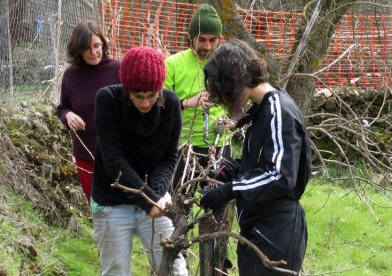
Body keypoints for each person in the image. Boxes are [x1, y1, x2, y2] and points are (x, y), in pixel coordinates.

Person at [200, 38, 312, 275]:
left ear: (234, 80)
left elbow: (280, 176)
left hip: (277, 233)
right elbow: (262, 161)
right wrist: (229, 170)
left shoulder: (279, 111)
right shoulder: (260, 109)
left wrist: (230, 190)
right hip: (259, 228)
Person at [91, 46, 188, 276]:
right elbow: (114, 160)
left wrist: (154, 197)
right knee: (116, 271)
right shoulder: (107, 100)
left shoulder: (171, 103)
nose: (145, 103)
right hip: (112, 200)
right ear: (127, 89)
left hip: (154, 194)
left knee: (175, 268)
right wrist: (149, 200)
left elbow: (169, 157)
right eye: (138, 96)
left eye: (152, 96)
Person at [164, 4, 232, 191]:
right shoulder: (173, 64)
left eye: (212, 40)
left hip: (220, 146)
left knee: (218, 205)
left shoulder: (228, 64)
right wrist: (186, 103)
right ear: (191, 37)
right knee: (177, 202)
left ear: (220, 39)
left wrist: (234, 121)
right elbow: (157, 103)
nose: (207, 46)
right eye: (201, 40)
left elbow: (246, 103)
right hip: (183, 146)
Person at [56, 20, 121, 204]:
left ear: (103, 43)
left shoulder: (119, 70)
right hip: (86, 156)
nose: (93, 53)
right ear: (77, 50)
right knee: (98, 209)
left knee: (121, 210)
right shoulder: (71, 75)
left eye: (97, 46)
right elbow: (62, 107)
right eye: (87, 48)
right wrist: (68, 115)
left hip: (118, 155)